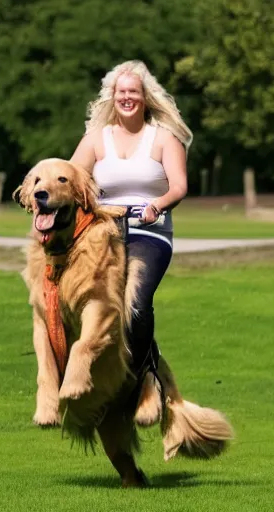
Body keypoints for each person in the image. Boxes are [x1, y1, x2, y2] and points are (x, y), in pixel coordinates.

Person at [70, 60, 192, 383]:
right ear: (113, 96)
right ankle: (104, 373)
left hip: (148, 232)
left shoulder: (164, 139)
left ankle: (141, 378)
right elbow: (71, 177)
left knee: (135, 304)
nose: (127, 97)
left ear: (144, 97)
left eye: (133, 92)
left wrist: (159, 204)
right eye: (121, 92)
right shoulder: (97, 139)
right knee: (98, 305)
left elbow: (179, 186)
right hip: (103, 233)